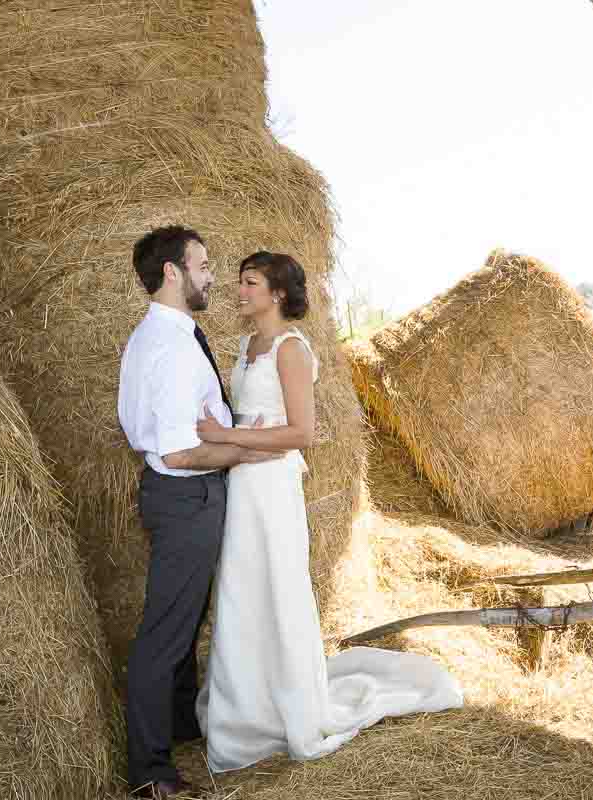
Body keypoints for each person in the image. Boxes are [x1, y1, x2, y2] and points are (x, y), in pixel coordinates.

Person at [194, 251, 462, 773]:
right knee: (242, 590)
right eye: (240, 282)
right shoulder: (246, 346)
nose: (240, 290)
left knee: (276, 587)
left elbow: (303, 433)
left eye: (250, 283)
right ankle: (247, 711)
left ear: (275, 294)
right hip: (242, 481)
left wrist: (225, 435)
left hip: (271, 486)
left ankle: (290, 705)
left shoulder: (292, 349)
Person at [118, 226, 279, 799]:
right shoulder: (165, 347)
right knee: (166, 632)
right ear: (172, 272)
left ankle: (181, 728)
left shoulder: (176, 336)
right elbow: (179, 450)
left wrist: (240, 442)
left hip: (193, 496)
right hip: (186, 496)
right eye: (203, 264)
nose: (212, 275)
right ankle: (151, 774)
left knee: (185, 624)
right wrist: (252, 449)